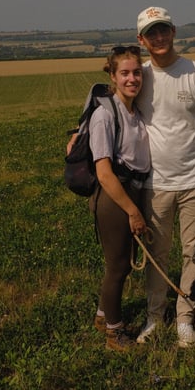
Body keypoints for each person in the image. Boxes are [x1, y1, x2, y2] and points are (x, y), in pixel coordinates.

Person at [134, 6, 195, 348]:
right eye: (151, 33)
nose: (159, 38)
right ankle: (154, 317)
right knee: (157, 256)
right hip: (154, 184)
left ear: (174, 31)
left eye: (164, 30)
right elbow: (111, 109)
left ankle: (185, 318)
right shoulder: (139, 77)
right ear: (141, 40)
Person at [86, 46, 151, 351]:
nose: (132, 78)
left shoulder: (135, 111)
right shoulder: (104, 114)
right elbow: (104, 173)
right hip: (115, 199)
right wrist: (132, 211)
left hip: (131, 193)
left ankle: (102, 316)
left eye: (136, 72)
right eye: (124, 73)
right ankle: (115, 332)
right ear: (112, 76)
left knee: (122, 265)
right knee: (117, 267)